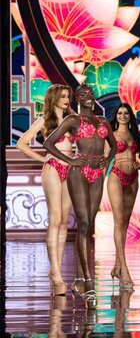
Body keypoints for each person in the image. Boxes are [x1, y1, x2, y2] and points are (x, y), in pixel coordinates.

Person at [44, 84, 117, 307]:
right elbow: (48, 143)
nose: (88, 97)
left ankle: (79, 279)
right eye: (83, 94)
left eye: (90, 94)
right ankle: (88, 281)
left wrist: (107, 160)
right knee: (83, 222)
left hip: (97, 174)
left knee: (89, 225)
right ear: (77, 98)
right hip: (78, 172)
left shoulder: (102, 121)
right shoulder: (73, 120)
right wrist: (70, 160)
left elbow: (113, 146)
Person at [16, 84, 74, 296]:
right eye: (62, 96)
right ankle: (56, 274)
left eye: (68, 96)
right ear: (53, 98)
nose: (66, 99)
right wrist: (42, 159)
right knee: (55, 218)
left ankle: (55, 270)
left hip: (70, 168)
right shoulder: (45, 121)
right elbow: (21, 143)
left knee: (65, 220)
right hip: (53, 168)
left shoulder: (71, 120)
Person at [107, 103, 140, 289]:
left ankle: (117, 266)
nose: (123, 116)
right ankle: (124, 269)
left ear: (130, 116)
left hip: (133, 179)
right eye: (119, 113)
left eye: (126, 113)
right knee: (118, 222)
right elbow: (104, 157)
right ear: (116, 116)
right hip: (116, 176)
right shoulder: (111, 136)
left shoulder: (134, 136)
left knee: (124, 223)